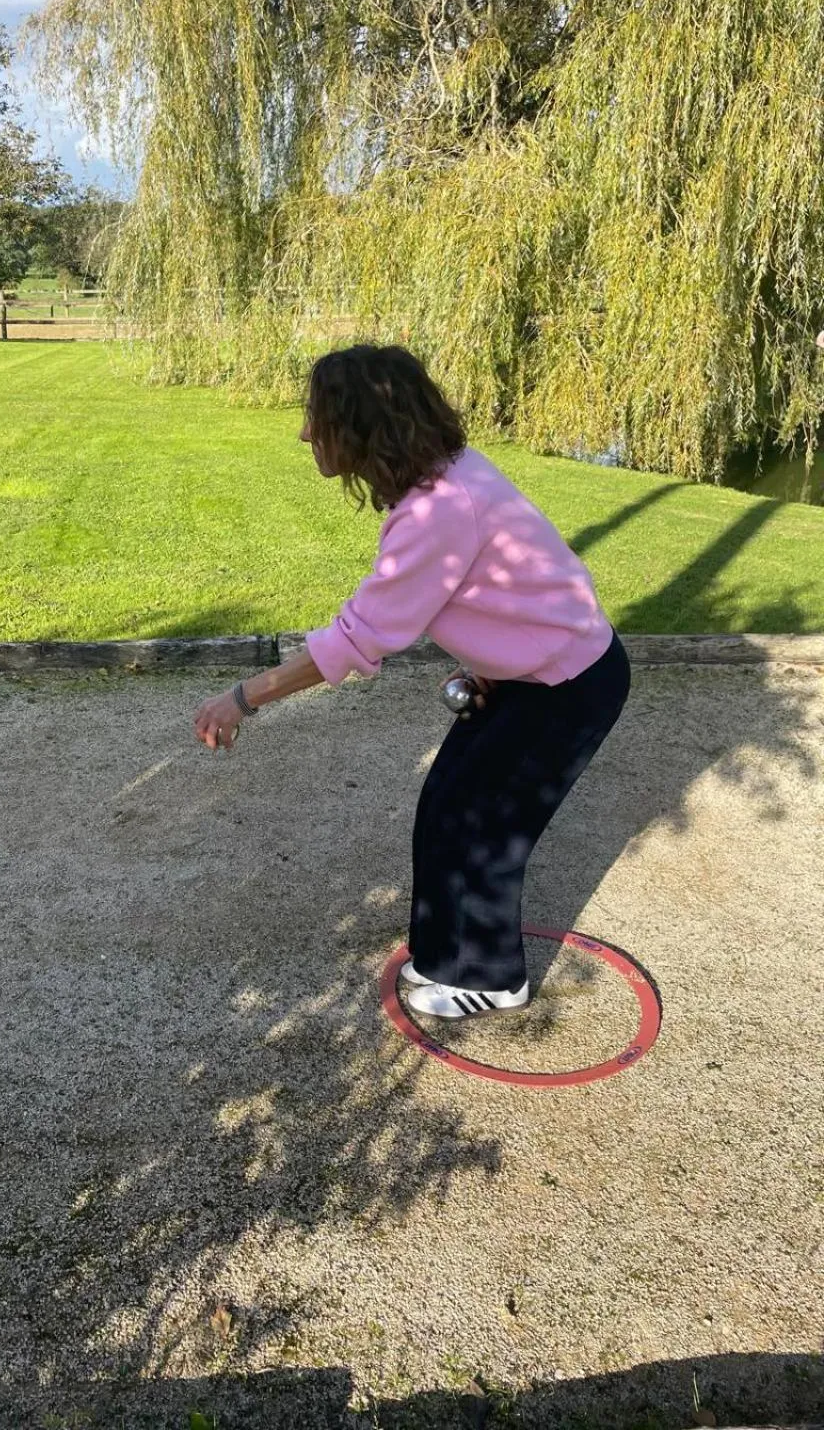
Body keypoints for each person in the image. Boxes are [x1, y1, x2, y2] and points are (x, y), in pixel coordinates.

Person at [192, 343, 631, 1020]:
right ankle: (446, 956)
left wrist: (243, 698)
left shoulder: (439, 508)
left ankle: (491, 976)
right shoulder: (441, 483)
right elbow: (505, 589)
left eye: (317, 416)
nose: (305, 431)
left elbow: (357, 638)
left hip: (568, 685)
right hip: (529, 674)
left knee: (485, 826)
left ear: (361, 423)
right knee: (447, 804)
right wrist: (490, 662)